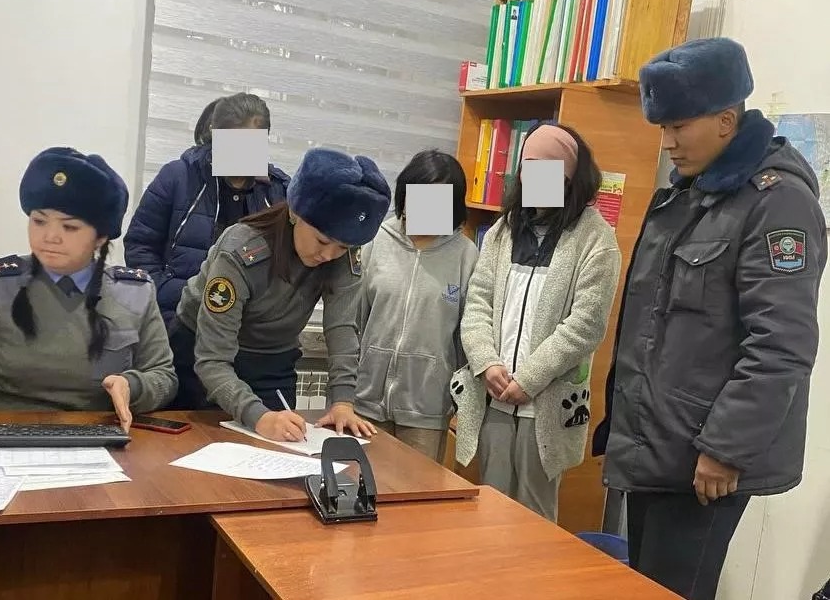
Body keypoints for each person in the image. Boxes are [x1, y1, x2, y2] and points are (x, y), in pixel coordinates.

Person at [592, 38, 826, 600]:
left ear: (726, 120)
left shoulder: (777, 202)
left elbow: (781, 345)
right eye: (662, 127)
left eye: (679, 126)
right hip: (656, 444)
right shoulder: (685, 196)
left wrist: (725, 449)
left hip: (705, 459)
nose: (667, 142)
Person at [457, 123, 621, 521]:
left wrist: (529, 379)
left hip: (545, 405)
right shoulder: (503, 230)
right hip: (494, 396)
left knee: (534, 517)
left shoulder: (595, 238)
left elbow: (585, 325)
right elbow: (477, 304)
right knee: (489, 510)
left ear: (571, 179)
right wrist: (487, 363)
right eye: (528, 170)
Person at [170, 147, 391, 442]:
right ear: (295, 212)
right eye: (322, 241)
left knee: (281, 447)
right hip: (201, 357)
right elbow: (212, 359)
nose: (329, 255)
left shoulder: (343, 255)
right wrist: (257, 416)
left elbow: (342, 330)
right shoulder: (241, 250)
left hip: (271, 363)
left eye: (343, 247)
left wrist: (342, 402)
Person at [0, 147, 178, 430]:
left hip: (99, 435)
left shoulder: (134, 293)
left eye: (70, 227)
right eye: (39, 221)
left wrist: (131, 386)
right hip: (1, 435)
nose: (50, 237)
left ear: (100, 237)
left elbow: (163, 376)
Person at [123, 93, 290, 334]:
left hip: (248, 333)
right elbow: (140, 245)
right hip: (176, 322)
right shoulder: (178, 177)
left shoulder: (277, 192)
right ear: (215, 135)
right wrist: (169, 292)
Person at [353, 150, 478, 462]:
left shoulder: (466, 256)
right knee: (358, 485)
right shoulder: (375, 240)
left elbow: (468, 338)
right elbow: (354, 320)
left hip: (427, 411)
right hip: (365, 403)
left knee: (416, 490)